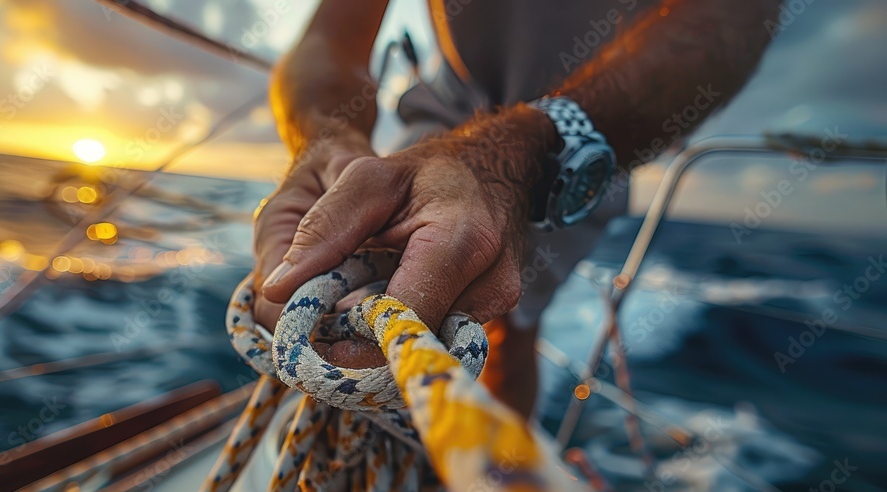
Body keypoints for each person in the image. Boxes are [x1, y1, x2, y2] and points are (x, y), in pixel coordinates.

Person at [252, 0, 779, 418]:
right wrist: (324, 138)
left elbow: (732, 15)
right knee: (376, 274)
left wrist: (515, 151)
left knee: (504, 321)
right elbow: (329, 38)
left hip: (591, 125)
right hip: (453, 104)